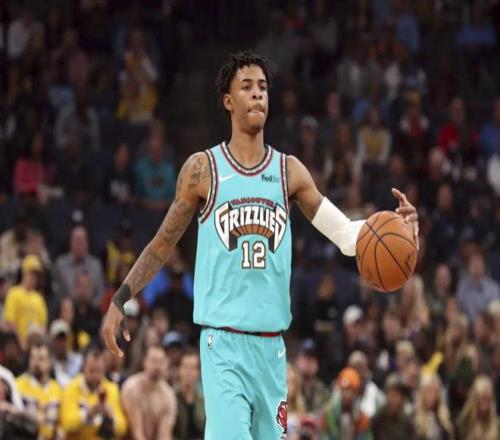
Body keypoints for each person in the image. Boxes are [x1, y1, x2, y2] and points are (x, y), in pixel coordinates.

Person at [103, 51, 419, 439]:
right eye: (247, 87)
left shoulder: (289, 172)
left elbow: (348, 237)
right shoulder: (203, 170)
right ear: (228, 101)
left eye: (263, 88)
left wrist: (403, 235)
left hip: (271, 349)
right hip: (223, 343)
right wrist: (122, 296)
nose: (257, 94)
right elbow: (163, 242)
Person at [60, 344, 127, 440]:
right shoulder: (71, 388)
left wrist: (111, 416)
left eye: (98, 371)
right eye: (91, 371)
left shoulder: (111, 389)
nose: (95, 376)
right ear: (83, 368)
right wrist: (88, 413)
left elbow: (122, 428)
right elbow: (67, 424)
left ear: (104, 369)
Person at [121, 345, 177, 440]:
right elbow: (137, 433)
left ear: (166, 364)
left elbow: (164, 436)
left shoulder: (168, 394)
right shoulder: (132, 388)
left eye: (161, 362)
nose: (157, 366)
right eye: (153, 361)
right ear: (145, 362)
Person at [15, 340, 62, 440]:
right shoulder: (18, 386)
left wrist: (59, 431)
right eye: (33, 358)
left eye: (41, 359)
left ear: (50, 362)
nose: (36, 363)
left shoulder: (57, 389)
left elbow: (61, 422)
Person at [3, 255, 47, 346]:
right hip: (17, 345)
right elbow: (10, 321)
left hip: (35, 345)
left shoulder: (39, 298)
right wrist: (21, 343)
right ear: (24, 273)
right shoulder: (14, 293)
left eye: (36, 275)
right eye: (31, 273)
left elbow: (43, 325)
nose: (34, 277)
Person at [54, 225, 105, 301]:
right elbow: (57, 292)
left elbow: (101, 294)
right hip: (67, 307)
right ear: (70, 243)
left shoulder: (96, 265)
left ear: (87, 243)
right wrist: (65, 304)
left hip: (92, 307)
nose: (79, 246)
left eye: (81, 242)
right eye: (76, 242)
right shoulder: (60, 264)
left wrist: (90, 307)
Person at [173, 349, 205, 440]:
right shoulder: (170, 398)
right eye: (185, 367)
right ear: (179, 370)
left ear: (198, 372)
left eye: (192, 368)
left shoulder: (204, 402)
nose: (188, 372)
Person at [372, 373, 414, 440]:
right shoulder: (377, 420)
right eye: (393, 394)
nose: (397, 400)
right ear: (386, 394)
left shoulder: (408, 422)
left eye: (400, 395)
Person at [457, 375, 498, 440]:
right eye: (482, 398)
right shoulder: (462, 426)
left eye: (488, 399)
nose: (485, 404)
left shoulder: (496, 426)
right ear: (474, 398)